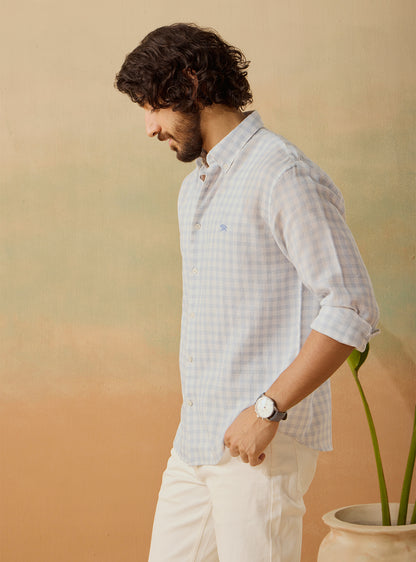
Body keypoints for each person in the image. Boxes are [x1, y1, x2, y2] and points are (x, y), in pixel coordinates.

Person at [115, 23, 379, 562]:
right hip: (197, 440)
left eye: (154, 106)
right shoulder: (195, 190)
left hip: (262, 446)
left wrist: (267, 410)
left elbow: (351, 305)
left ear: (192, 83)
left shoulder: (282, 174)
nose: (149, 127)